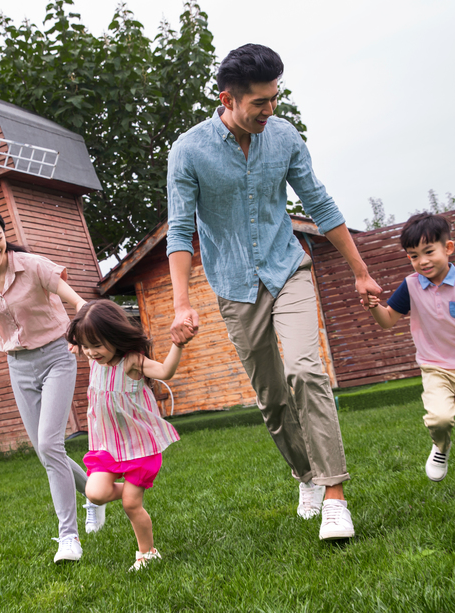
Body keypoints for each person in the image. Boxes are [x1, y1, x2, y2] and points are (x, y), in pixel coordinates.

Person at [166, 43, 383, 541]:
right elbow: (180, 232)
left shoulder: (283, 136)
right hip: (235, 286)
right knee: (271, 397)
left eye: (274, 98)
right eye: (260, 103)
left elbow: (320, 203)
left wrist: (360, 271)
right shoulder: (189, 150)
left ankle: (334, 495)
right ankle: (305, 474)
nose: (271, 110)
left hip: (288, 269)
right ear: (228, 99)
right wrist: (181, 303)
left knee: (306, 371)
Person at [0, 203, 106, 565]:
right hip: (19, 367)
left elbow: (78, 302)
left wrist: (80, 335)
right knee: (47, 452)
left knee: (48, 443)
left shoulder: (34, 265)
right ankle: (93, 492)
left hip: (57, 356)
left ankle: (68, 537)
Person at [364, 213, 455, 496]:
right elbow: (388, 320)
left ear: (448, 248)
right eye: (414, 256)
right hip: (434, 367)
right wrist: (373, 306)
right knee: (439, 419)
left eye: (429, 252)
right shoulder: (411, 285)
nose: (423, 261)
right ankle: (441, 446)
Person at [65, 300, 182, 571]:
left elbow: (165, 371)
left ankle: (147, 553)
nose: (91, 353)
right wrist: (77, 343)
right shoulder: (94, 358)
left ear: (115, 337)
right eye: (86, 346)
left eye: (96, 345)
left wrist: (179, 345)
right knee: (94, 492)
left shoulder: (131, 362)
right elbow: (83, 341)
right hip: (109, 446)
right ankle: (131, 491)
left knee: (131, 504)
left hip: (139, 446)